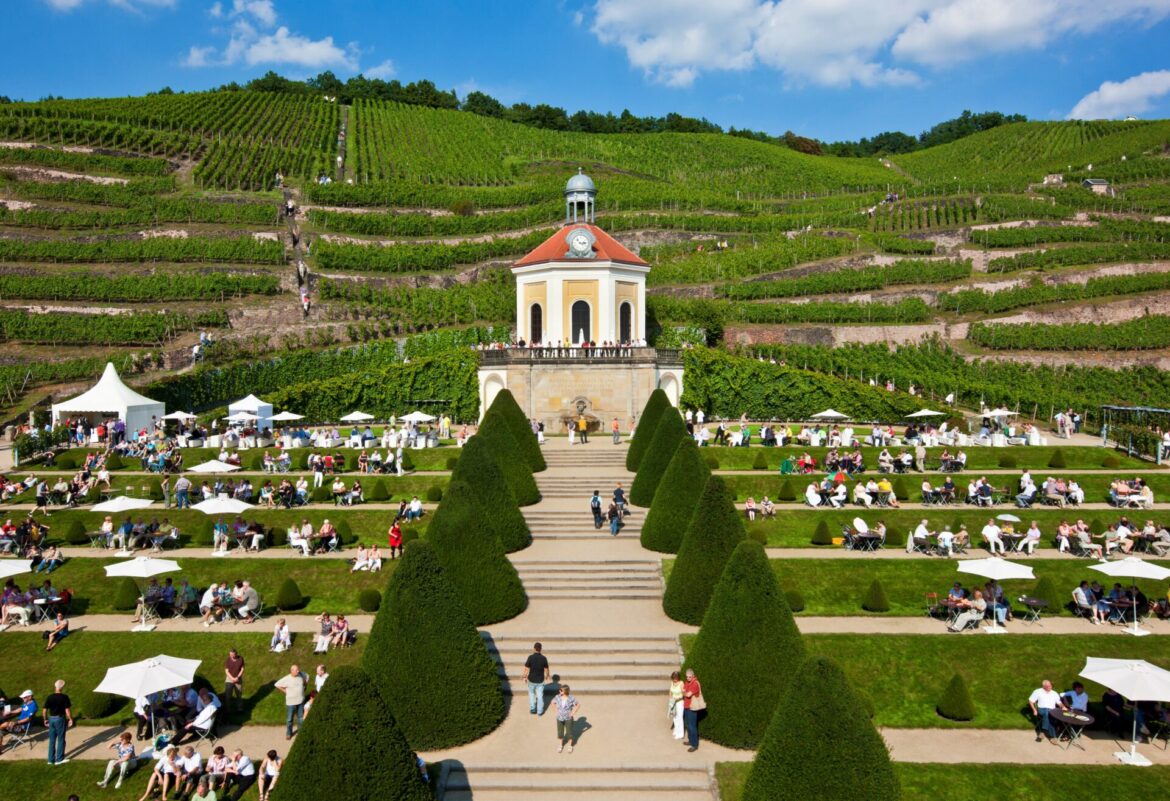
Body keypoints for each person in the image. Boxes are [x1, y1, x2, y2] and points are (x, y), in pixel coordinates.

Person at [44, 679, 73, 766]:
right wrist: (70, 719)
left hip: (51, 719)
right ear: (62, 687)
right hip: (60, 719)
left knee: (52, 739)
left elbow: (44, 710)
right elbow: (67, 710)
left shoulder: (49, 697)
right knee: (61, 738)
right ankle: (59, 759)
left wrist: (45, 719)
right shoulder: (64, 697)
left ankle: (50, 759)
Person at [274, 664, 307, 739]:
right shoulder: (287, 678)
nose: (298, 671)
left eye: (298, 669)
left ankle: (300, 732)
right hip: (291, 702)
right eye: (296, 670)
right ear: (292, 671)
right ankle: (289, 733)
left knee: (300, 718)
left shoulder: (301, 675)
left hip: (301, 701)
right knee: (289, 719)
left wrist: (305, 685)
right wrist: (285, 691)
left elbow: (306, 677)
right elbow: (277, 684)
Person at [0, 689, 37, 754]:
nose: (23, 698)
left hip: (23, 727)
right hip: (18, 723)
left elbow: (28, 719)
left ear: (30, 697)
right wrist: (10, 711)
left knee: (3, 726)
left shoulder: (33, 706)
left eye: (24, 697)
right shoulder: (26, 703)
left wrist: (16, 722)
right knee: (1, 728)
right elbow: (20, 709)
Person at [523, 642, 550, 716]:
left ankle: (533, 709)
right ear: (541, 649)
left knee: (531, 694)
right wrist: (547, 675)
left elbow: (526, 669)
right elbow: (546, 669)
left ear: (534, 648)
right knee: (540, 696)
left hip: (531, 680)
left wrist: (524, 677)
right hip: (540, 680)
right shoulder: (544, 658)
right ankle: (540, 711)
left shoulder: (530, 657)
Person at [553, 684, 580, 754]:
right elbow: (552, 703)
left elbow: (578, 705)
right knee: (560, 732)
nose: (559, 691)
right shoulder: (557, 697)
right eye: (560, 690)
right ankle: (560, 745)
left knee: (569, 732)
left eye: (561, 690)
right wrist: (556, 711)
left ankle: (570, 746)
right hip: (559, 717)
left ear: (565, 691)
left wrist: (573, 713)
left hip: (568, 718)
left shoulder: (571, 698)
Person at [682, 668, 703, 752]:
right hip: (686, 706)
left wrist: (684, 692)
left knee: (692, 726)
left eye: (690, 677)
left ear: (693, 676)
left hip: (692, 708)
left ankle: (694, 744)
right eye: (687, 677)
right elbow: (683, 691)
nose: (688, 678)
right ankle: (691, 741)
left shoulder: (695, 684)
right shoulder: (687, 682)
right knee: (687, 725)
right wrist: (684, 692)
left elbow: (687, 694)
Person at [224, 648, 245, 712]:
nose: (231, 656)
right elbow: (226, 671)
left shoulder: (240, 659)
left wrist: (238, 677)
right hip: (229, 678)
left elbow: (242, 669)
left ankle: (239, 708)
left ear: (236, 654)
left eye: (233, 655)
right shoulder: (228, 660)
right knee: (228, 695)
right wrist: (232, 678)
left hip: (238, 678)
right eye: (230, 655)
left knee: (239, 694)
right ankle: (228, 709)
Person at [669, 670, 685, 741]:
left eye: (676, 677)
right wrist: (670, 701)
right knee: (674, 717)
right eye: (673, 677)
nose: (675, 679)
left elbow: (683, 692)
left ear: (678, 677)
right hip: (673, 702)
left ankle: (680, 734)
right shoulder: (672, 682)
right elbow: (670, 692)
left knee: (680, 717)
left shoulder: (681, 683)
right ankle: (676, 730)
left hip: (680, 702)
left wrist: (684, 692)